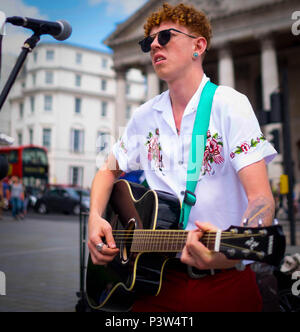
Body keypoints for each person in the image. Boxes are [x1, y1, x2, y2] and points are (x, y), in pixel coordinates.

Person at [88, 3, 277, 312]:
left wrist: (230, 252)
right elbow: (106, 171)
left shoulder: (229, 105)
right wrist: (96, 217)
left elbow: (262, 200)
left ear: (198, 45)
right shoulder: (144, 116)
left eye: (165, 36)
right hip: (152, 287)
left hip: (223, 285)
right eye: (147, 41)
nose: (154, 46)